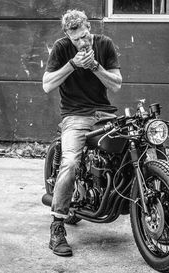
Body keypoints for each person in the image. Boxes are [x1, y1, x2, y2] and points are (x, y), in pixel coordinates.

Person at [42, 9, 122, 256]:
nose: (82, 42)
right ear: (67, 35)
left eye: (85, 36)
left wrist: (96, 66)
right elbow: (47, 85)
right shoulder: (61, 48)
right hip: (75, 115)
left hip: (105, 113)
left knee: (132, 148)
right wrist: (72, 65)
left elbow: (117, 84)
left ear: (89, 27)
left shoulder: (105, 45)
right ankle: (57, 225)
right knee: (70, 161)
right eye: (76, 39)